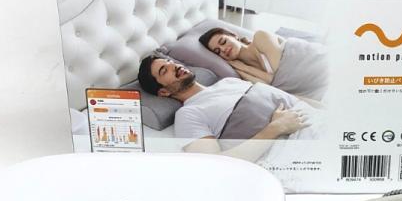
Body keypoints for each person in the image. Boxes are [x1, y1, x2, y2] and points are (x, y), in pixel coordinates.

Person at [138, 55, 313, 160]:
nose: (174, 66)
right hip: (297, 148)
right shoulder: (188, 114)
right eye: (164, 70)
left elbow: (292, 99)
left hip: (314, 119)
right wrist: (275, 128)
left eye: (169, 62)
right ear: (163, 92)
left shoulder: (229, 81)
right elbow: (216, 164)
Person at [198, 27, 328, 102]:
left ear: (234, 35)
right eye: (218, 51)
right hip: (313, 89)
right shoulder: (240, 72)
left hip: (317, 63)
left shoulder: (260, 37)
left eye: (223, 42)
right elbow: (270, 87)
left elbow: (280, 73)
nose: (223, 49)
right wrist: (241, 67)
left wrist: (244, 68)